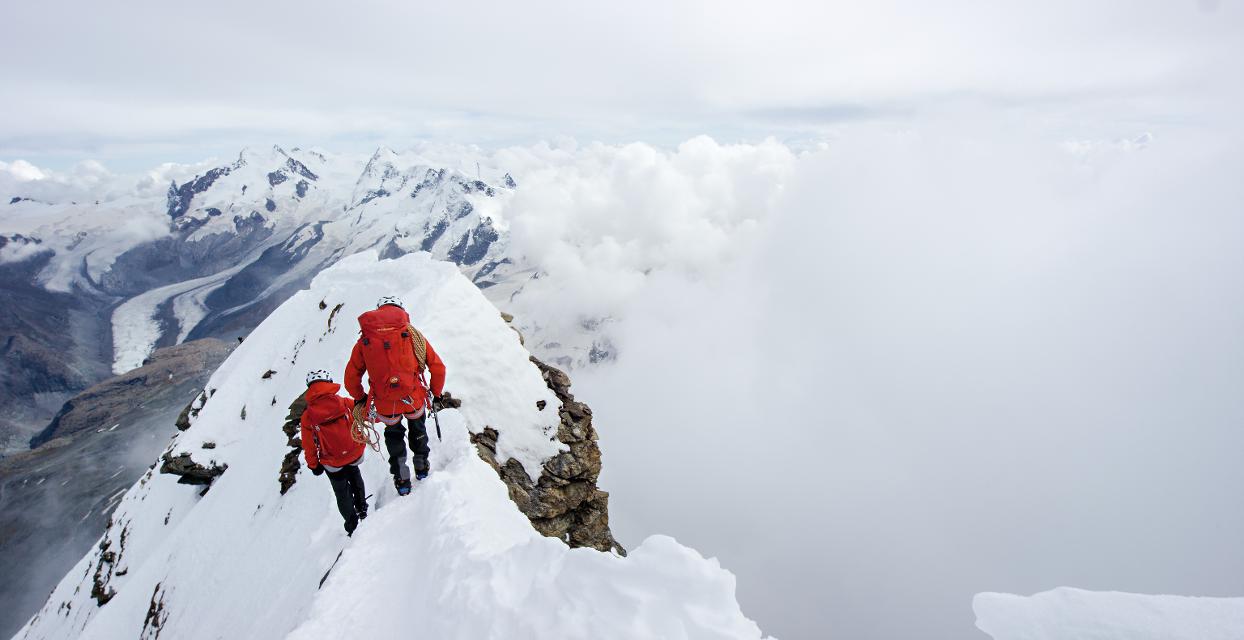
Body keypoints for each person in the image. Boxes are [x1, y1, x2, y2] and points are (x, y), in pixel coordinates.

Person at [345, 296, 446, 496]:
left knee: (393, 437)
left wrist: (360, 398)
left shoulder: (364, 340)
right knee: (418, 429)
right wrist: (436, 393)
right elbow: (438, 368)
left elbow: (350, 377)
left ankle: (402, 479)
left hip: (384, 403)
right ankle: (422, 466)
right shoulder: (412, 335)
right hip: (413, 397)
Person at [301, 369, 368, 535]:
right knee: (355, 476)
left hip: (332, 462)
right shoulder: (344, 402)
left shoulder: (308, 416)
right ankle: (362, 509)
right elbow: (364, 413)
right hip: (354, 453)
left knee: (341, 491)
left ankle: (352, 523)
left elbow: (309, 444)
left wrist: (313, 465)